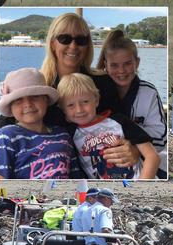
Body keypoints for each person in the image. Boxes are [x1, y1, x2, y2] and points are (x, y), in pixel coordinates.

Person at [38, 12, 138, 169]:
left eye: (81, 40)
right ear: (52, 43)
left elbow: (123, 126)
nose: (73, 46)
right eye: (65, 39)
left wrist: (133, 148)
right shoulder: (40, 89)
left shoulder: (104, 83)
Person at [57, 73, 159, 179]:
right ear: (64, 110)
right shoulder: (69, 135)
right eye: (70, 105)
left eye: (85, 101)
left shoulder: (120, 121)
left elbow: (152, 156)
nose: (79, 109)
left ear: (96, 100)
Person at [96, 30, 168, 179]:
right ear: (105, 65)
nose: (121, 71)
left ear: (137, 62)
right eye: (114, 65)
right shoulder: (95, 93)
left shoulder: (149, 93)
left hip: (142, 164)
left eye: (127, 63)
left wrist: (135, 148)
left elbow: (161, 136)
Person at [0, 68, 80, 179]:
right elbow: (1, 181)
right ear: (11, 108)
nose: (28, 104)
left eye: (35, 97)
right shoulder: (6, 136)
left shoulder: (63, 134)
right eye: (18, 100)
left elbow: (76, 176)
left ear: (46, 100)